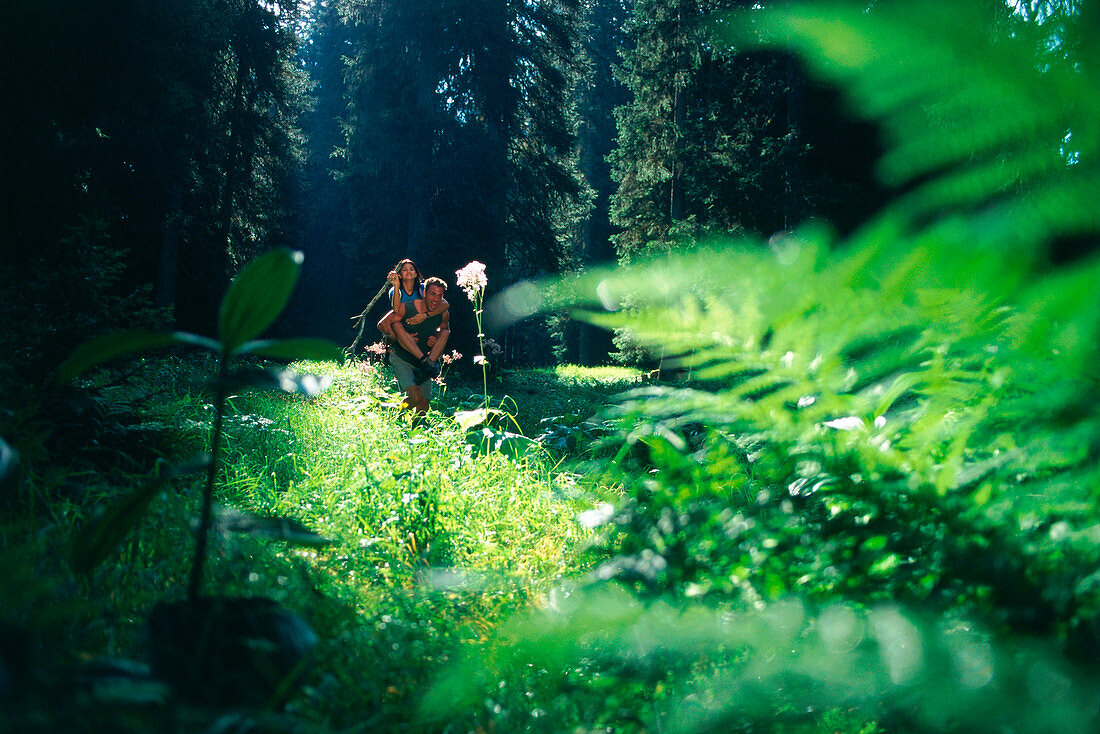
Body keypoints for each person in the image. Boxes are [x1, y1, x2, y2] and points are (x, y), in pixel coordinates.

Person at [388, 277, 451, 415]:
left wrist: (436, 337)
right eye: (432, 294)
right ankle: (394, 417)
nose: (436, 299)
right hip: (402, 358)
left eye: (440, 295)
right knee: (415, 397)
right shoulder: (408, 307)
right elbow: (384, 325)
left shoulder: (443, 313)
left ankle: (415, 434)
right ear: (424, 293)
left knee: (423, 406)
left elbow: (443, 331)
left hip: (423, 364)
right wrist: (400, 338)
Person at [377, 259, 448, 362]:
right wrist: (396, 286)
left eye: (411, 269)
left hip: (422, 324)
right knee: (394, 324)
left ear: (416, 274)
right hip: (404, 327)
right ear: (399, 274)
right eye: (404, 270)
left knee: (443, 320)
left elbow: (444, 304)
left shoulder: (422, 288)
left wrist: (426, 315)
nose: (409, 271)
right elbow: (396, 310)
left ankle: (430, 362)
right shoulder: (395, 291)